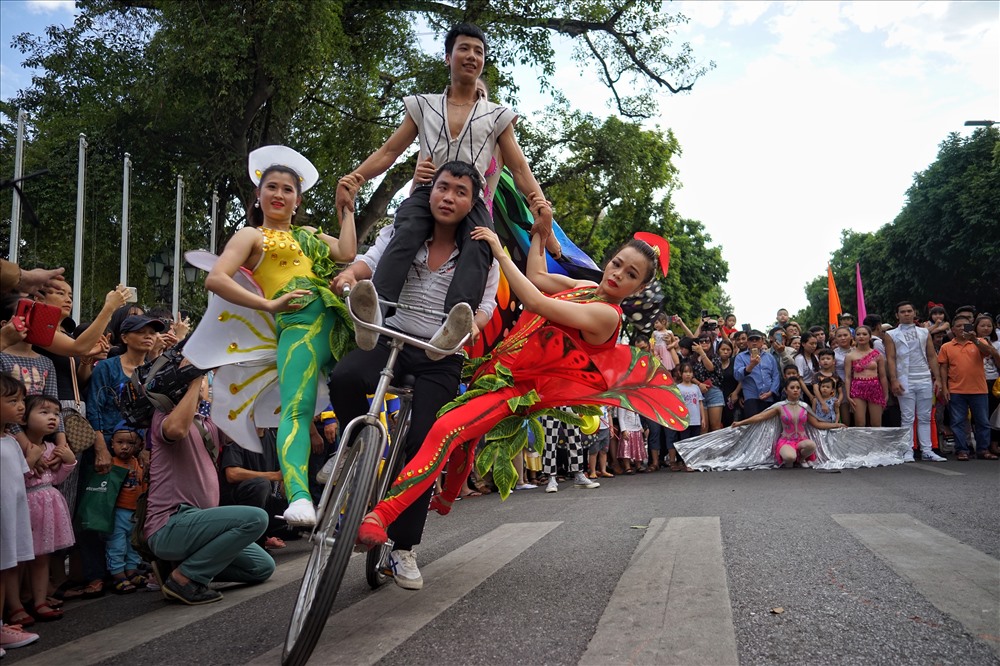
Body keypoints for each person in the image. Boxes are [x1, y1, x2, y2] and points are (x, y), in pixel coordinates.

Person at [355, 226, 685, 561]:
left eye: (630, 275)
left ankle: (382, 515)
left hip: (517, 390)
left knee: (445, 429)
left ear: (639, 288)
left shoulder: (607, 315)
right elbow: (538, 276)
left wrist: (499, 251)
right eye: (616, 263)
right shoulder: (587, 288)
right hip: (496, 367)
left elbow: (535, 300)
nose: (617, 275)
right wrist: (540, 233)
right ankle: (447, 496)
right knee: (465, 434)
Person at [330, 161, 500, 590]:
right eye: (443, 188)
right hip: (389, 336)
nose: (449, 197)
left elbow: (487, 304)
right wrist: (349, 275)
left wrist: (475, 323)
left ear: (471, 202)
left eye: (460, 192)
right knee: (347, 376)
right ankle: (352, 451)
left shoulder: (482, 249)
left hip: (441, 353)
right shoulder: (401, 231)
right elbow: (369, 261)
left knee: (427, 440)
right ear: (431, 191)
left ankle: (404, 547)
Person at [336, 23, 554, 322]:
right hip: (429, 191)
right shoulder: (424, 106)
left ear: (483, 61)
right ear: (448, 57)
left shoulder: (496, 115)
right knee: (409, 226)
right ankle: (377, 307)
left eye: (479, 51)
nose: (471, 56)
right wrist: (355, 178)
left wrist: (539, 204)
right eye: (463, 48)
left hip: (472, 198)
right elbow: (389, 151)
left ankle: (455, 318)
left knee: (481, 241)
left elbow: (518, 166)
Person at [201, 145, 357, 527]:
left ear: (298, 200)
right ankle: (300, 496)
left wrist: (348, 210)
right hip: (299, 327)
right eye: (271, 187)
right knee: (298, 410)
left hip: (341, 323)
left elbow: (347, 250)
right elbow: (215, 278)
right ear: (258, 194)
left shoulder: (307, 234)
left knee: (371, 390)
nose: (278, 195)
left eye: (287, 190)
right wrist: (269, 307)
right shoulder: (251, 236)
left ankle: (347, 463)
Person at [145, 365, 275, 605]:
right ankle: (184, 578)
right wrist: (194, 381)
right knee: (256, 518)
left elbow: (252, 428)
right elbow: (176, 429)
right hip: (171, 524)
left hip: (201, 528)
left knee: (261, 567)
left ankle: (184, 568)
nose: (207, 384)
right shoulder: (163, 417)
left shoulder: (206, 421)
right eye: (205, 380)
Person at [21, 395, 76, 621]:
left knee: (42, 557)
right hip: (26, 504)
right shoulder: (19, 446)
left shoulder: (52, 447)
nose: (52, 418)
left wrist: (69, 462)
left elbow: (55, 478)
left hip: (48, 504)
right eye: (44, 412)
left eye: (55, 413)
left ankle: (40, 600)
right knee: (22, 558)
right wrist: (29, 462)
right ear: (24, 418)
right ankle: (21, 600)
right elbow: (17, 479)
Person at [0, 374, 40, 653]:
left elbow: (22, 476)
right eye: (12, 400)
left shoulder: (10, 440)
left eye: (22, 400)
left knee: (4, 569)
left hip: (10, 518)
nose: (21, 406)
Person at [733, 377, 847, 468]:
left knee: (811, 445)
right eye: (792, 387)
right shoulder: (780, 407)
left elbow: (817, 424)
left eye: (798, 387)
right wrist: (741, 423)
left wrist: (836, 425)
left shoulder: (805, 407)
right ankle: (794, 458)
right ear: (786, 390)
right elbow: (761, 416)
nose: (796, 390)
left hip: (802, 441)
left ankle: (801, 458)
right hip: (786, 441)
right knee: (789, 458)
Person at [886, 301, 947, 462]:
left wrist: (938, 379)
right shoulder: (891, 334)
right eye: (902, 311)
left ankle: (927, 450)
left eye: (909, 311)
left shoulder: (923, 332)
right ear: (897, 315)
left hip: (924, 377)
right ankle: (908, 450)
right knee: (907, 417)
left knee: (925, 416)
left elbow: (932, 355)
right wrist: (893, 380)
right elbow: (891, 358)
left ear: (914, 313)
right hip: (904, 378)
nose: (906, 314)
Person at [937, 315, 999, 461]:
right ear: (952, 329)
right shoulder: (946, 347)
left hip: (979, 389)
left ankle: (983, 449)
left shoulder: (980, 342)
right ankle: (962, 449)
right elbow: (943, 368)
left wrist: (974, 339)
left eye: (965, 326)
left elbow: (990, 352)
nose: (962, 329)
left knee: (982, 421)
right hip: (956, 389)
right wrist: (944, 388)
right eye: (958, 326)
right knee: (958, 421)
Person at [217, 428, 289, 548]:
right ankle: (251, 543)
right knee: (261, 485)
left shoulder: (272, 435)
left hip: (266, 501)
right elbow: (232, 474)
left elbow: (280, 475)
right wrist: (273, 475)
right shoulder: (238, 435)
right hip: (236, 502)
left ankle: (264, 536)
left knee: (303, 518)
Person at [105, 422, 146, 594]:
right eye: (120, 442)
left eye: (130, 443)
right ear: (112, 443)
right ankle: (118, 575)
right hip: (117, 513)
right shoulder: (110, 464)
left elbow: (143, 485)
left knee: (133, 544)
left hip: (134, 512)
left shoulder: (138, 463)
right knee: (116, 545)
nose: (125, 447)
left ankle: (132, 571)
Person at [845, 326, 889, 427]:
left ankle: (876, 443)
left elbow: (882, 376)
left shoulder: (877, 355)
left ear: (870, 337)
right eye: (858, 334)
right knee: (860, 423)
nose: (861, 337)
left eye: (864, 334)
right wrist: (848, 395)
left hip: (875, 388)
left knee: (876, 423)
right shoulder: (850, 356)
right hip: (857, 388)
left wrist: (886, 394)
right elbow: (848, 377)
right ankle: (861, 443)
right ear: (854, 337)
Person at [733, 330, 780, 417]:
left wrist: (771, 392)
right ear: (747, 342)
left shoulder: (769, 357)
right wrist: (751, 365)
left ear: (762, 341)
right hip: (751, 397)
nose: (754, 342)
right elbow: (737, 376)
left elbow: (776, 376)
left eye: (757, 339)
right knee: (753, 426)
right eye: (751, 339)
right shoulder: (740, 357)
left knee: (769, 426)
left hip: (769, 397)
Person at [617, 407, 645, 474]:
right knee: (626, 449)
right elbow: (620, 418)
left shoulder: (634, 404)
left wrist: (640, 427)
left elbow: (637, 416)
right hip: (627, 430)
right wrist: (623, 430)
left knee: (637, 448)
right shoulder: (622, 405)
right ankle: (627, 467)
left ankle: (638, 465)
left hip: (636, 429)